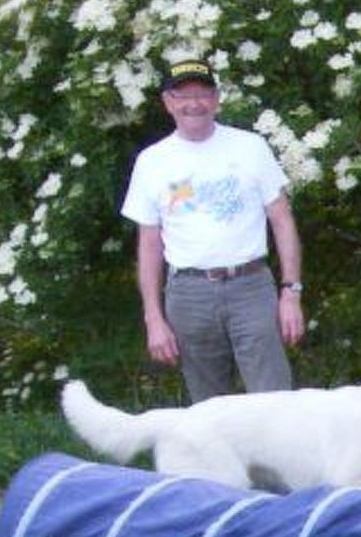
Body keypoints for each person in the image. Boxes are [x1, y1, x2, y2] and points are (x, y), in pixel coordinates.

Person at [121, 57, 306, 401]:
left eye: (203, 94)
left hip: (251, 287)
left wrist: (291, 293)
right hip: (189, 295)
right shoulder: (152, 161)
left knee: (275, 402)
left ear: (217, 99)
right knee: (209, 410)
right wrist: (153, 319)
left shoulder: (251, 147)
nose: (194, 104)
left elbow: (282, 220)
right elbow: (149, 245)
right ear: (168, 103)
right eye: (183, 95)